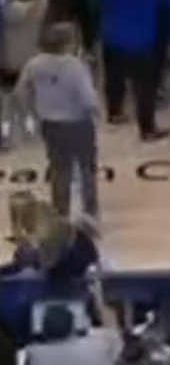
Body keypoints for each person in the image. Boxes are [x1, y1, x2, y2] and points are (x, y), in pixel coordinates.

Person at [15, 23, 100, 221]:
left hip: (51, 125)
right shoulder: (75, 66)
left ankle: (60, 213)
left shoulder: (34, 63)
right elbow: (88, 97)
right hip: (78, 124)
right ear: (68, 43)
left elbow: (20, 91)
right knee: (87, 167)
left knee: (59, 169)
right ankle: (90, 212)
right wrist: (96, 112)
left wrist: (33, 111)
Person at [93, 0, 168, 141]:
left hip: (113, 38)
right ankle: (147, 128)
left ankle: (115, 112)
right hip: (143, 40)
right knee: (145, 87)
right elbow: (165, 4)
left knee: (113, 78)